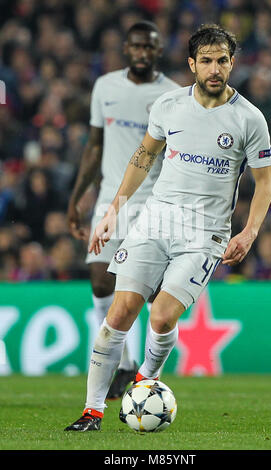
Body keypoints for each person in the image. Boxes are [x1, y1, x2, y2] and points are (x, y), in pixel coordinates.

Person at [65, 24, 271, 432]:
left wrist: (248, 232)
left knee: (160, 317)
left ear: (232, 64)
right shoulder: (168, 106)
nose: (216, 69)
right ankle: (92, 411)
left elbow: (265, 182)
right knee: (120, 311)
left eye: (223, 60)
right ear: (192, 64)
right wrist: (113, 211)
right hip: (155, 221)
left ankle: (145, 379)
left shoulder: (250, 119)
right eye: (208, 61)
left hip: (205, 234)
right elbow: (143, 157)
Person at [67, 20, 179, 400]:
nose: (142, 53)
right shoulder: (105, 87)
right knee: (101, 281)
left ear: (158, 50)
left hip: (153, 202)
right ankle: (125, 364)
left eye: (149, 47)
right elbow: (94, 145)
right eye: (136, 46)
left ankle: (145, 371)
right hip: (109, 201)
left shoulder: (172, 95)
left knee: (149, 294)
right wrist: (77, 195)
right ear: (126, 49)